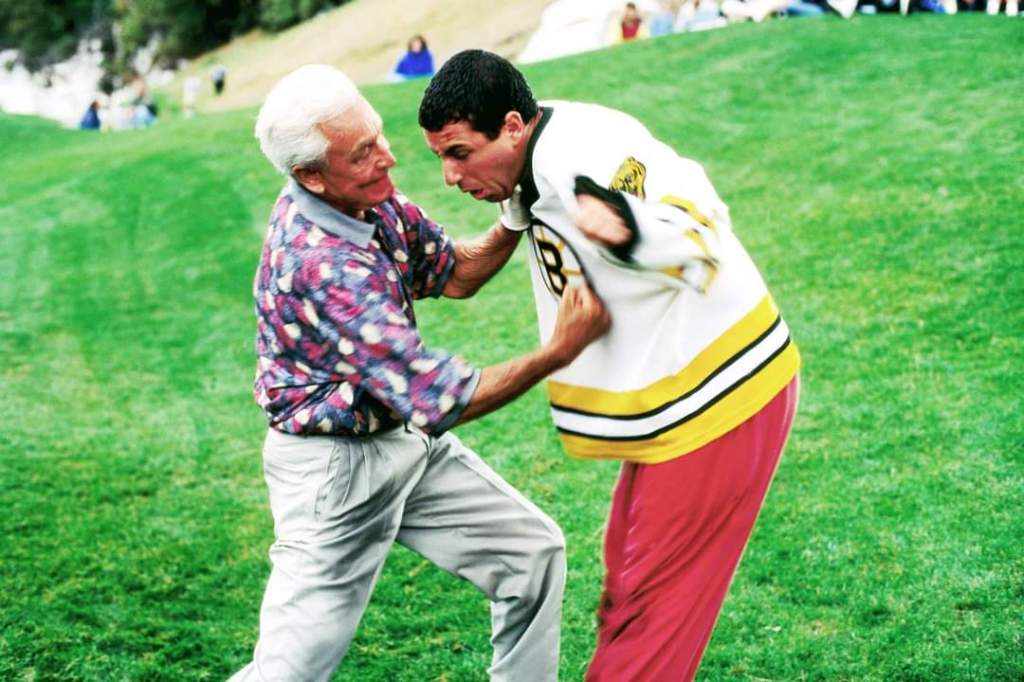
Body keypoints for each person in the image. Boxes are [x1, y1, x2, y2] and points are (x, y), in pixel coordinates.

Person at [419, 50, 801, 682]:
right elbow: (475, 264)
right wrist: (514, 211)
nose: (449, 176)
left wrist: (627, 229)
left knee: (650, 617)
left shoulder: (585, 152)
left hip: (720, 399)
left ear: (511, 127)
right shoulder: (530, 160)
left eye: (459, 153)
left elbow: (700, 224)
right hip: (677, 406)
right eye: (441, 157)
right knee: (626, 590)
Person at [231, 64, 610, 682]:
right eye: (363, 153)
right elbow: (443, 399)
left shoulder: (365, 199)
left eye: (377, 136)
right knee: (290, 671)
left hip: (400, 437)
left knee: (530, 555)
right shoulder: (321, 266)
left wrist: (516, 211)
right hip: (336, 474)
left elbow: (453, 273)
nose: (388, 158)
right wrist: (558, 351)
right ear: (311, 176)